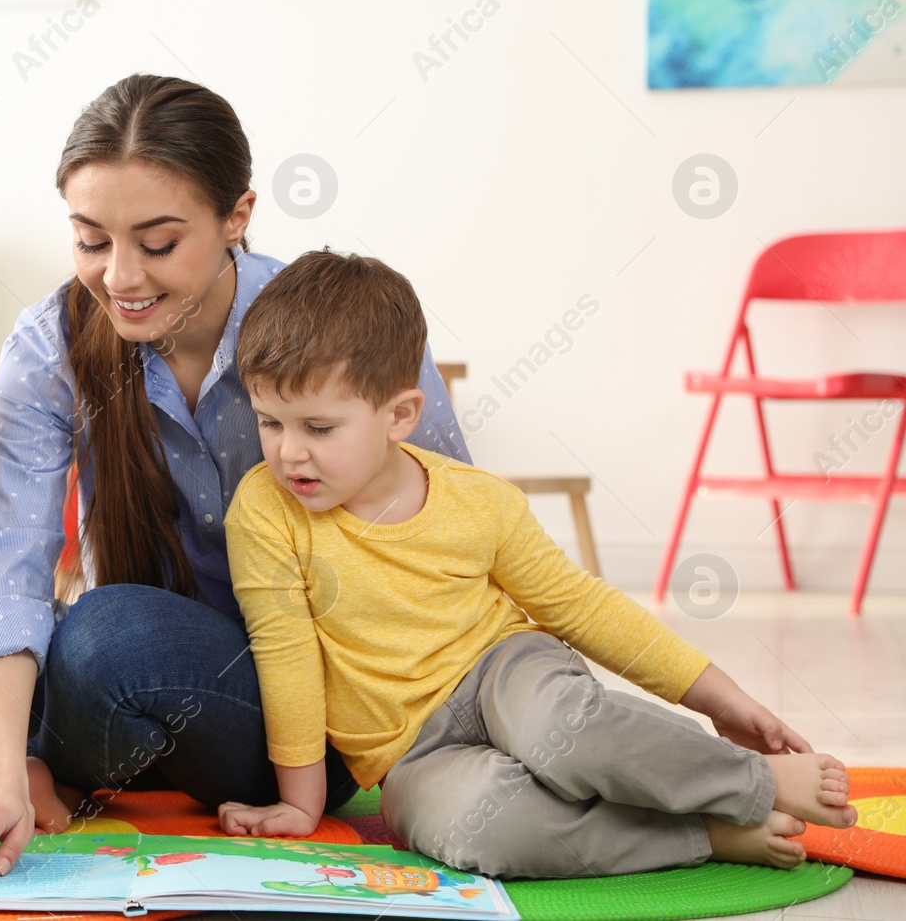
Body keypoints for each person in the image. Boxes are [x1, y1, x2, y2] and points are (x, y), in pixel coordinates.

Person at [0, 74, 474, 884]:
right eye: (90, 239)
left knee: (106, 636)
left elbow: (453, 526)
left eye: (158, 242)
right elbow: (8, 561)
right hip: (143, 691)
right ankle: (41, 764)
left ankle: (66, 762)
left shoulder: (342, 329)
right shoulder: (50, 347)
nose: (120, 277)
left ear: (236, 218)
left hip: (329, 709)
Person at [216, 249, 857, 877]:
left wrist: (724, 701)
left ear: (400, 416)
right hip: (411, 755)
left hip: (505, 670)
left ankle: (757, 782)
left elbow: (582, 606)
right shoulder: (265, 511)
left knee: (567, 730)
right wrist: (301, 805)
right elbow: (286, 653)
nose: (288, 453)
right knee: (467, 825)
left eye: (318, 429)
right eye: (270, 423)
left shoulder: (480, 501)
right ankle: (701, 834)